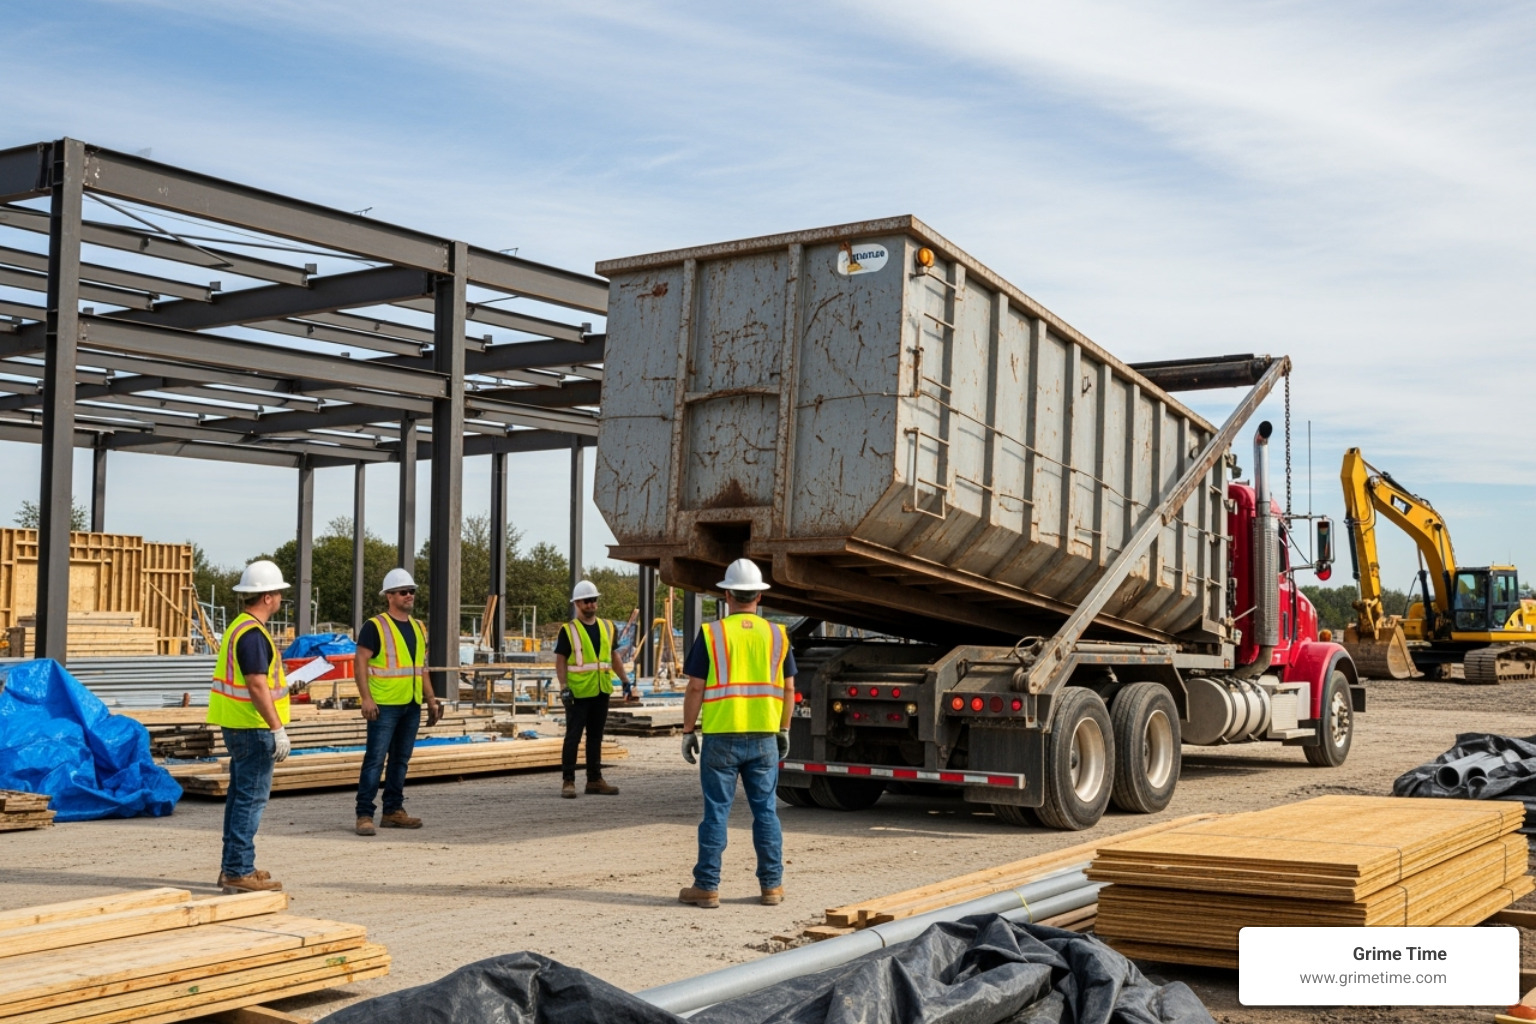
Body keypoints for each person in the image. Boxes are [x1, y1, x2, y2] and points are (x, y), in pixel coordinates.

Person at [678, 558, 796, 909]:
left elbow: (695, 688)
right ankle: (772, 887)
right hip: (764, 737)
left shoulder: (713, 634)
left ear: (727, 594)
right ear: (759, 596)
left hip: (721, 736)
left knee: (716, 812)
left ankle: (707, 886)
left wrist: (687, 731)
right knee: (766, 812)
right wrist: (784, 728)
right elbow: (789, 689)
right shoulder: (778, 635)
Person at [208, 559, 293, 894]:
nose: (281, 600)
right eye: (279, 594)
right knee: (250, 800)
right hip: (253, 727)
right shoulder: (254, 634)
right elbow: (257, 685)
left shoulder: (238, 628)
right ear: (268, 597)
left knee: (239, 797)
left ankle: (235, 865)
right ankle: (238, 870)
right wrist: (277, 729)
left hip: (238, 723)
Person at [353, 568, 440, 836]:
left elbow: (420, 668)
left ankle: (393, 810)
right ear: (389, 596)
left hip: (411, 704)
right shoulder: (375, 626)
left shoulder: (417, 627)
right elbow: (360, 661)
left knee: (401, 760)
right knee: (375, 760)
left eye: (411, 591)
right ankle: (364, 814)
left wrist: (431, 699)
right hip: (384, 705)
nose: (409, 596)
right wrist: (366, 698)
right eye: (403, 592)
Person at [555, 579, 632, 798]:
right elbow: (560, 660)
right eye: (587, 601)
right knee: (573, 737)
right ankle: (568, 781)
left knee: (596, 737)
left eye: (594, 600)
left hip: (601, 690)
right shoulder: (568, 630)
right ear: (577, 603)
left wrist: (625, 680)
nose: (591, 604)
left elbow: (613, 657)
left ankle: (594, 779)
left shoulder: (608, 627)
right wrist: (563, 687)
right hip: (578, 693)